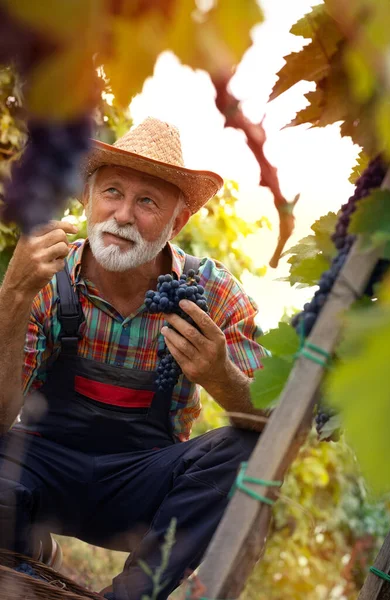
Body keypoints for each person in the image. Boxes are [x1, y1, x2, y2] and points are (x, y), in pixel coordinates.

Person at [0, 117, 269, 600]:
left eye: (147, 201)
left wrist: (221, 377)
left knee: (244, 451)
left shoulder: (210, 293)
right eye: (112, 192)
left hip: (141, 485)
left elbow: (277, 417)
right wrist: (13, 297)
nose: (123, 214)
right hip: (44, 473)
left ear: (177, 222)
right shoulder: (44, 277)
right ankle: (34, 568)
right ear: (87, 198)